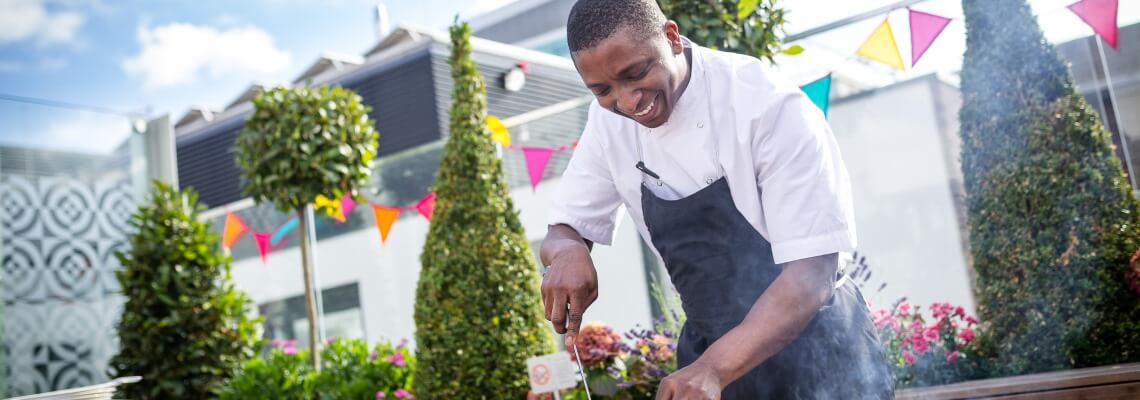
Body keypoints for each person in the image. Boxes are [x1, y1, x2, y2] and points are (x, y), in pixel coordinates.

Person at [538, 0, 893, 398]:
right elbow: (564, 227)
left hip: (819, 349)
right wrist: (568, 250)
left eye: (636, 74)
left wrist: (712, 369)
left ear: (671, 38)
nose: (627, 102)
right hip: (711, 350)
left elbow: (812, 274)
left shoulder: (767, 105)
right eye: (602, 89)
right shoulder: (607, 124)